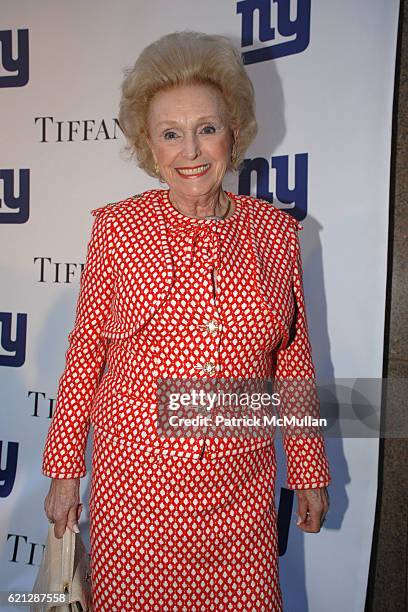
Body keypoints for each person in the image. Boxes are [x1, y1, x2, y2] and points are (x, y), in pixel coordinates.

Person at [42, 30, 331, 611]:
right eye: (170, 134)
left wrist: (307, 466)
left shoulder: (277, 235)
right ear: (149, 146)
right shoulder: (118, 230)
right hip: (137, 496)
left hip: (240, 496)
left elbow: (292, 361)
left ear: (235, 131)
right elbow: (86, 354)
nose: (191, 151)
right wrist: (65, 470)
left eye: (207, 128)